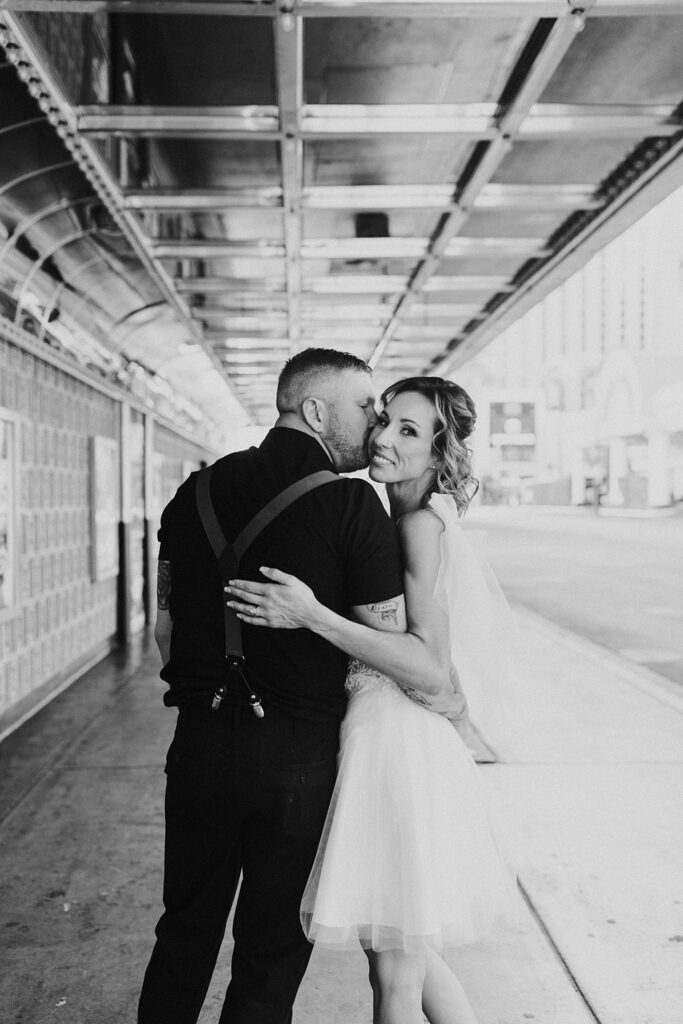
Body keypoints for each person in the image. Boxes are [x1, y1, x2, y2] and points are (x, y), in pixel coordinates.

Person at [138, 348, 420, 1024]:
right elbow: (389, 644)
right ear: (315, 410)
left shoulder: (192, 492)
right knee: (269, 954)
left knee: (183, 933)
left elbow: (163, 632)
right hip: (296, 756)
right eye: (364, 406)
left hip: (200, 743)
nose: (377, 422)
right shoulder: (352, 503)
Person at [226, 376, 518, 1024]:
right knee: (405, 950)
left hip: (396, 743)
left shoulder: (416, 524)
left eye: (408, 432)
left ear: (438, 455)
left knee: (393, 976)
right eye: (384, 419)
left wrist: (311, 614)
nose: (383, 436)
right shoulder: (399, 514)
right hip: (383, 734)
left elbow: (428, 664)